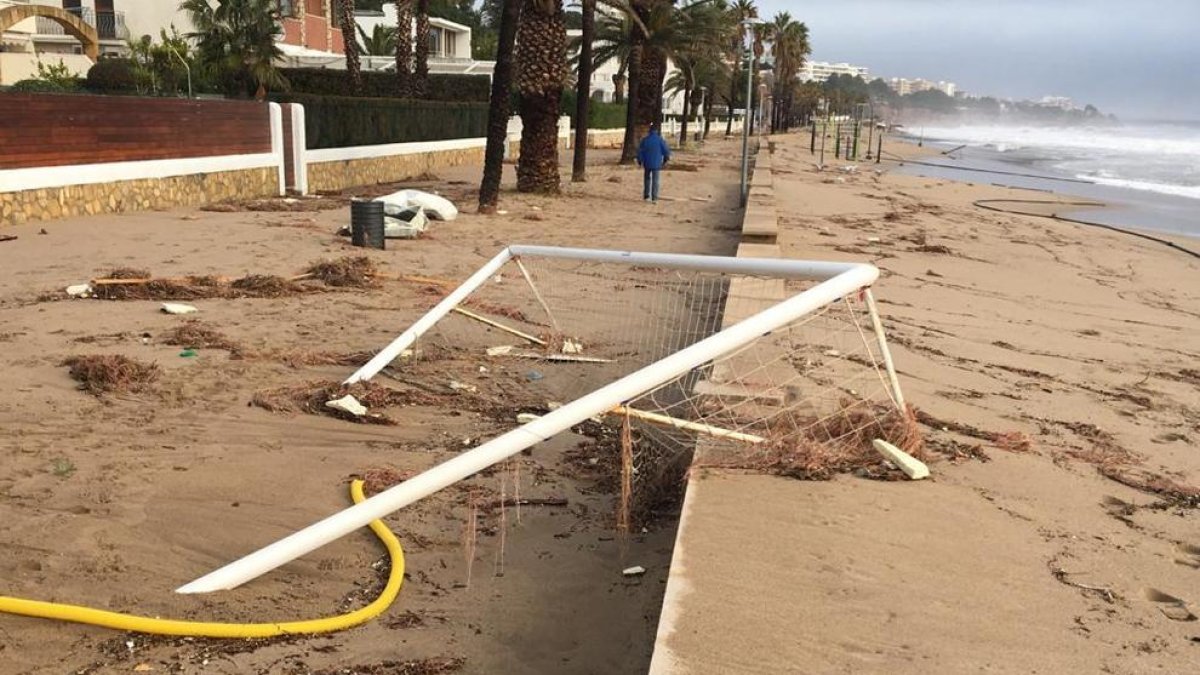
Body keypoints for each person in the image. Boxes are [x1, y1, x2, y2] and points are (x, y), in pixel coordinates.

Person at [636, 124, 671, 203]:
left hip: (647, 163)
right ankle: (654, 198)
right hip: (656, 163)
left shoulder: (645, 140)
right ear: (657, 131)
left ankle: (646, 196)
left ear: (649, 131)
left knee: (647, 179)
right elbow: (666, 150)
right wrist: (666, 159)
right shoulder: (660, 140)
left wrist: (640, 161)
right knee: (655, 180)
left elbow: (640, 152)